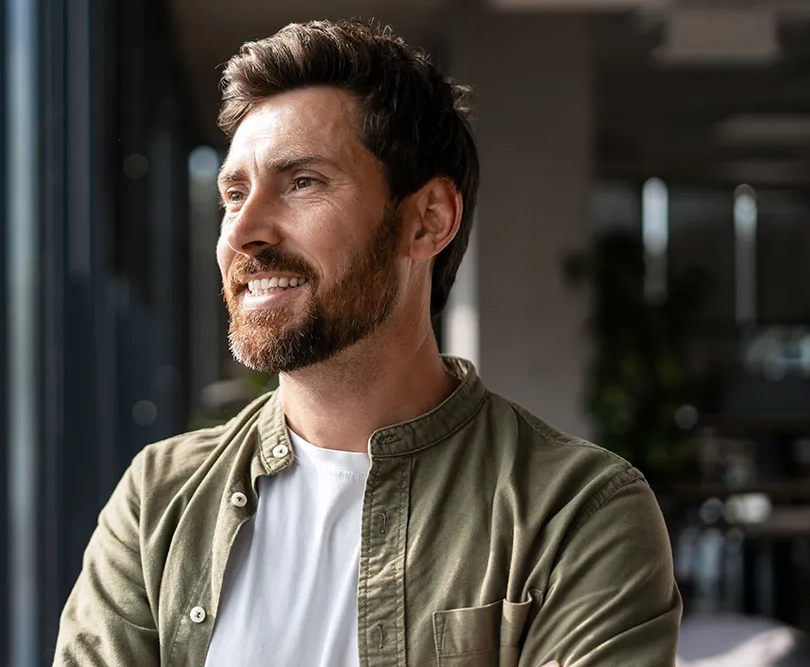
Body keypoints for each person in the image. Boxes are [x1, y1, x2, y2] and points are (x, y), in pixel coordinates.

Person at [53, 18, 681, 667]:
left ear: (427, 219)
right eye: (233, 193)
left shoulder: (575, 512)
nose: (243, 231)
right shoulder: (160, 497)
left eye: (302, 182)